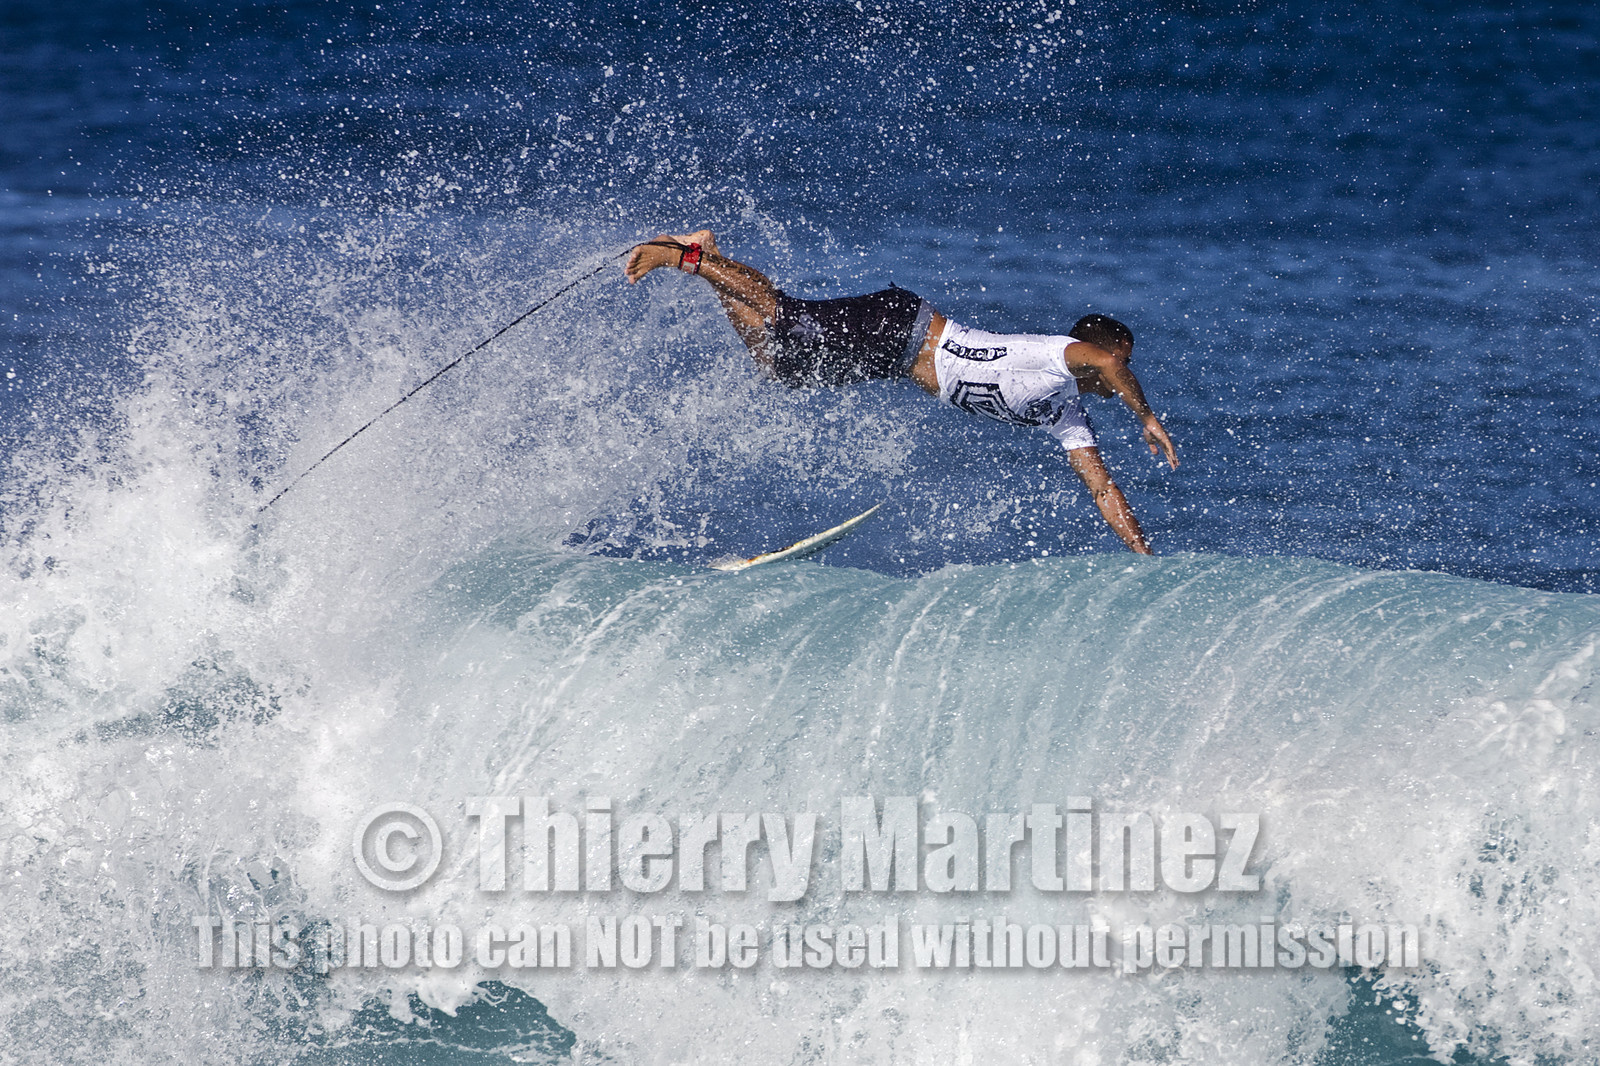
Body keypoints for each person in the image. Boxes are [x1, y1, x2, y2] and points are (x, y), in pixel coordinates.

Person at [624, 230, 1179, 554]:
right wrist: (1147, 417)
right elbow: (1107, 361)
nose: (1118, 375)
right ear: (1097, 350)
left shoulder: (1065, 409)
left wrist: (1143, 556)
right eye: (1122, 363)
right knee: (784, 315)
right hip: (901, 326)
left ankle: (704, 254)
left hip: (891, 356)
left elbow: (1103, 489)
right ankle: (681, 256)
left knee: (779, 367)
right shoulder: (1061, 354)